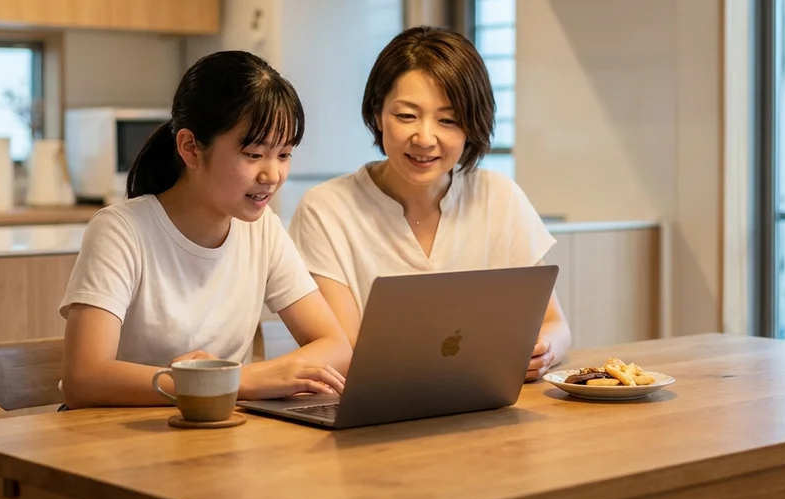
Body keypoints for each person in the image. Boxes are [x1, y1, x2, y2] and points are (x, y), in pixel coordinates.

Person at [59, 51, 352, 409]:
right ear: (191, 148)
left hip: (215, 431)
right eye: (254, 154)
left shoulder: (263, 232)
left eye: (284, 154)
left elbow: (337, 346)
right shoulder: (121, 231)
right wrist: (241, 379)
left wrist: (243, 379)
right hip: (118, 439)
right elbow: (83, 379)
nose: (272, 175)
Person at [288, 27, 570, 382]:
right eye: (406, 116)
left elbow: (555, 325)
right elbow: (348, 350)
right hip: (379, 414)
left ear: (471, 126)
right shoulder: (326, 209)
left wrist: (543, 351)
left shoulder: (499, 197)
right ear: (377, 113)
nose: (424, 138)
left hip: (486, 405)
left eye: (447, 120)